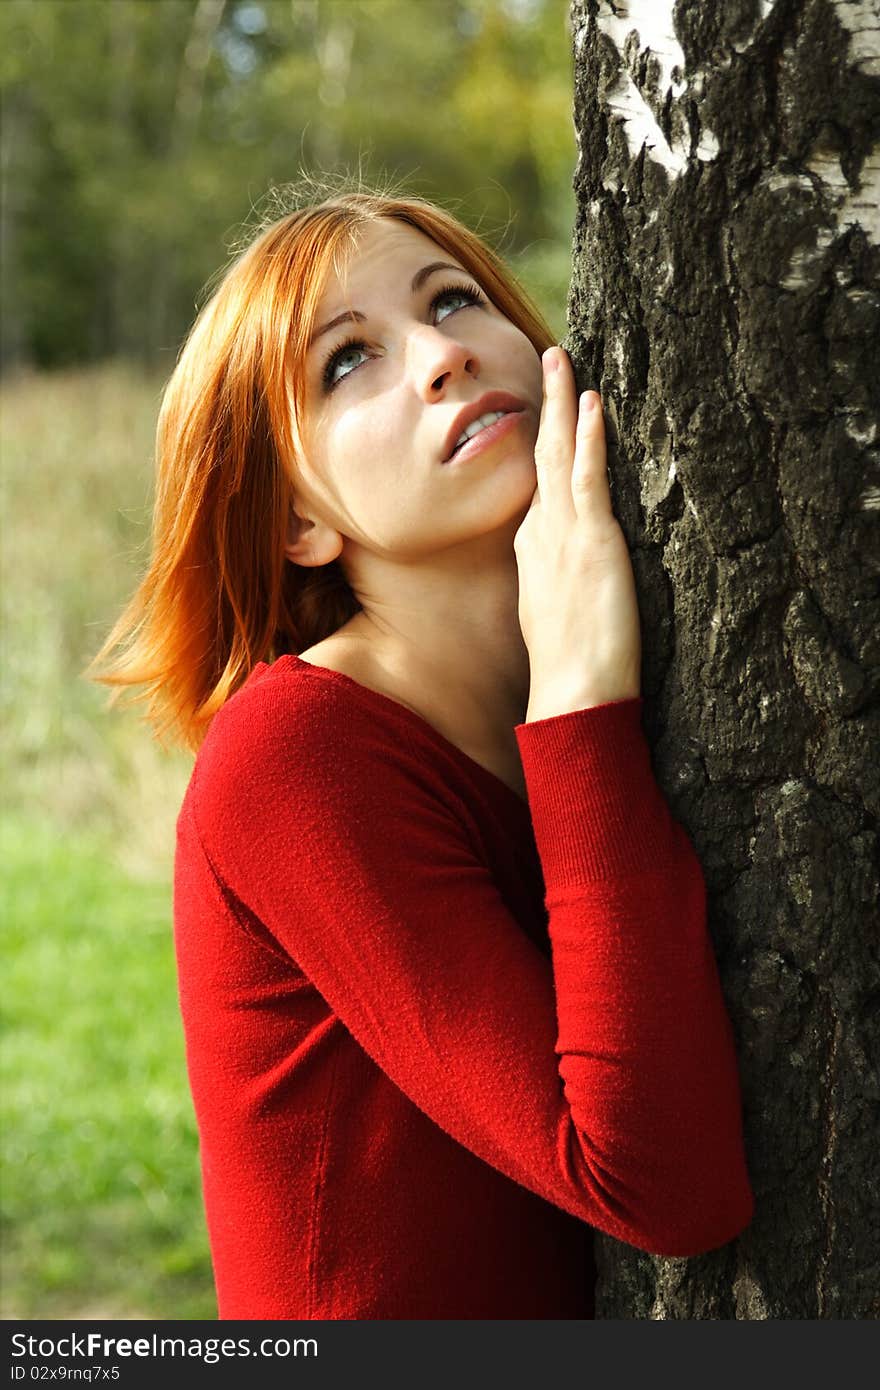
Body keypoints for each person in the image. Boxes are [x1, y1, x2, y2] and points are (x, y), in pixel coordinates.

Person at [89, 180, 754, 1320]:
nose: (440, 356)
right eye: (347, 362)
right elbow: (660, 1187)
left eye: (451, 301)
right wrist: (582, 698)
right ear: (298, 520)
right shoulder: (291, 754)